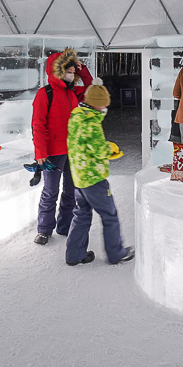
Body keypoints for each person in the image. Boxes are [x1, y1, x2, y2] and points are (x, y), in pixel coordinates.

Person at [64, 80, 134, 266]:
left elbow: (83, 145)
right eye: (103, 103)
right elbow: (98, 150)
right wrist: (111, 149)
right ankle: (116, 253)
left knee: (82, 214)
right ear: (95, 103)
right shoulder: (91, 124)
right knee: (109, 214)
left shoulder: (76, 117)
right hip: (93, 178)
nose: (105, 107)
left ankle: (74, 254)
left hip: (79, 176)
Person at [31, 47, 93, 245]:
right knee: (50, 191)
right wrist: (40, 152)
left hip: (73, 150)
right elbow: (38, 124)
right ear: (58, 70)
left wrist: (82, 70)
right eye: (69, 70)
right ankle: (44, 230)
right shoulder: (45, 94)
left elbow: (93, 89)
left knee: (70, 191)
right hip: (52, 153)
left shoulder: (73, 92)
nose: (72, 74)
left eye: (73, 72)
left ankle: (64, 226)